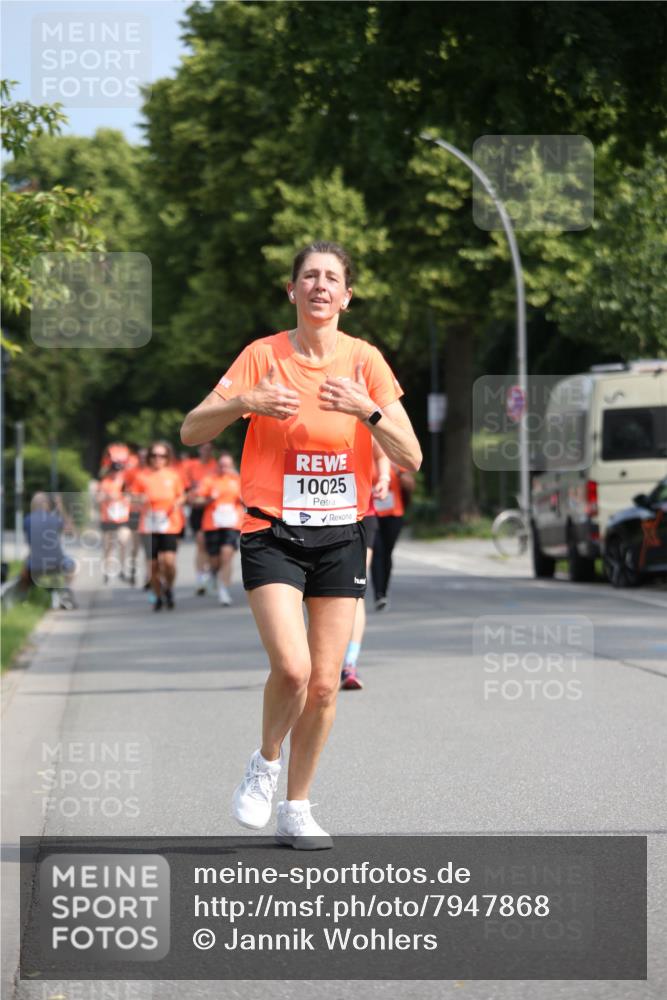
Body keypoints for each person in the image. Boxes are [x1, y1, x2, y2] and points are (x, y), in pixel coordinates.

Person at [181, 241, 421, 849]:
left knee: (325, 683)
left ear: (346, 296)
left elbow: (412, 455)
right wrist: (246, 402)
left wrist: (368, 411)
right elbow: (190, 430)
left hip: (342, 533)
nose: (320, 286)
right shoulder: (263, 356)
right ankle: (265, 764)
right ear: (292, 291)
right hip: (272, 530)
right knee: (292, 669)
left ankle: (297, 807)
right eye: (309, 276)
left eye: (331, 278)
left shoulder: (365, 361)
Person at [340, 440, 391, 690]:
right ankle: (314, 661)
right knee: (314, 594)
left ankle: (350, 663)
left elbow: (381, 453)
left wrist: (384, 478)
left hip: (361, 515)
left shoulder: (361, 421)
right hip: (313, 520)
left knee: (355, 591)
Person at [132, 441, 186, 612]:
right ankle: (158, 596)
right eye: (154, 455)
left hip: (169, 523)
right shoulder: (142, 476)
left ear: (167, 457)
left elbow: (182, 495)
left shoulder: (173, 475)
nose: (158, 458)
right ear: (149, 457)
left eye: (162, 455)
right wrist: (139, 499)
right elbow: (132, 497)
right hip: (148, 524)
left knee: (168, 562)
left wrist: (177, 503)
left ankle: (168, 587)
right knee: (153, 565)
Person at [192, 451, 244, 606]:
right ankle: (213, 572)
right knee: (214, 560)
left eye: (227, 466)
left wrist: (243, 499)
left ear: (232, 466)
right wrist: (209, 499)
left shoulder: (237, 480)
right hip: (212, 524)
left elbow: (248, 500)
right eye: (221, 465)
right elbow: (197, 500)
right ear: (217, 466)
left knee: (227, 555)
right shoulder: (209, 480)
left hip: (232, 523)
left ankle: (224, 590)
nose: (224, 468)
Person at [20, 492, 77, 609]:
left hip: (35, 565)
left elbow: (33, 542)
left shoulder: (27, 520)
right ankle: (64, 592)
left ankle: (24, 599)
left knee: (24, 569)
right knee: (72, 565)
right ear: (46, 505)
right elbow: (71, 530)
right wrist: (61, 508)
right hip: (57, 563)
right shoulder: (54, 519)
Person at [372, 464, 415, 610]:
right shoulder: (367, 458)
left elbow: (411, 485)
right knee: (377, 552)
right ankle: (379, 594)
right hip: (373, 514)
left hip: (393, 515)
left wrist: (400, 474)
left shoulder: (395, 461)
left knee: (387, 553)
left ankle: (384, 590)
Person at [184, 443, 219, 594]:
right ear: (199, 450)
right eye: (204, 448)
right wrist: (191, 496)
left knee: (214, 549)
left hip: (213, 509)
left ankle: (212, 573)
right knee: (200, 543)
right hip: (198, 508)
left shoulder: (216, 465)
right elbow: (186, 487)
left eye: (209, 449)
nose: (206, 451)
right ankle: (200, 577)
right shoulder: (192, 466)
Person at [96, 461, 131, 584]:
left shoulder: (125, 482)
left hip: (122, 518)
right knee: (108, 546)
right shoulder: (105, 483)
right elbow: (98, 498)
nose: (116, 473)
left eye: (119, 471)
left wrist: (124, 498)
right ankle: (107, 570)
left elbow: (131, 496)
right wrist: (108, 497)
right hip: (108, 518)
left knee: (123, 541)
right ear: (110, 471)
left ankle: (122, 569)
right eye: (114, 471)